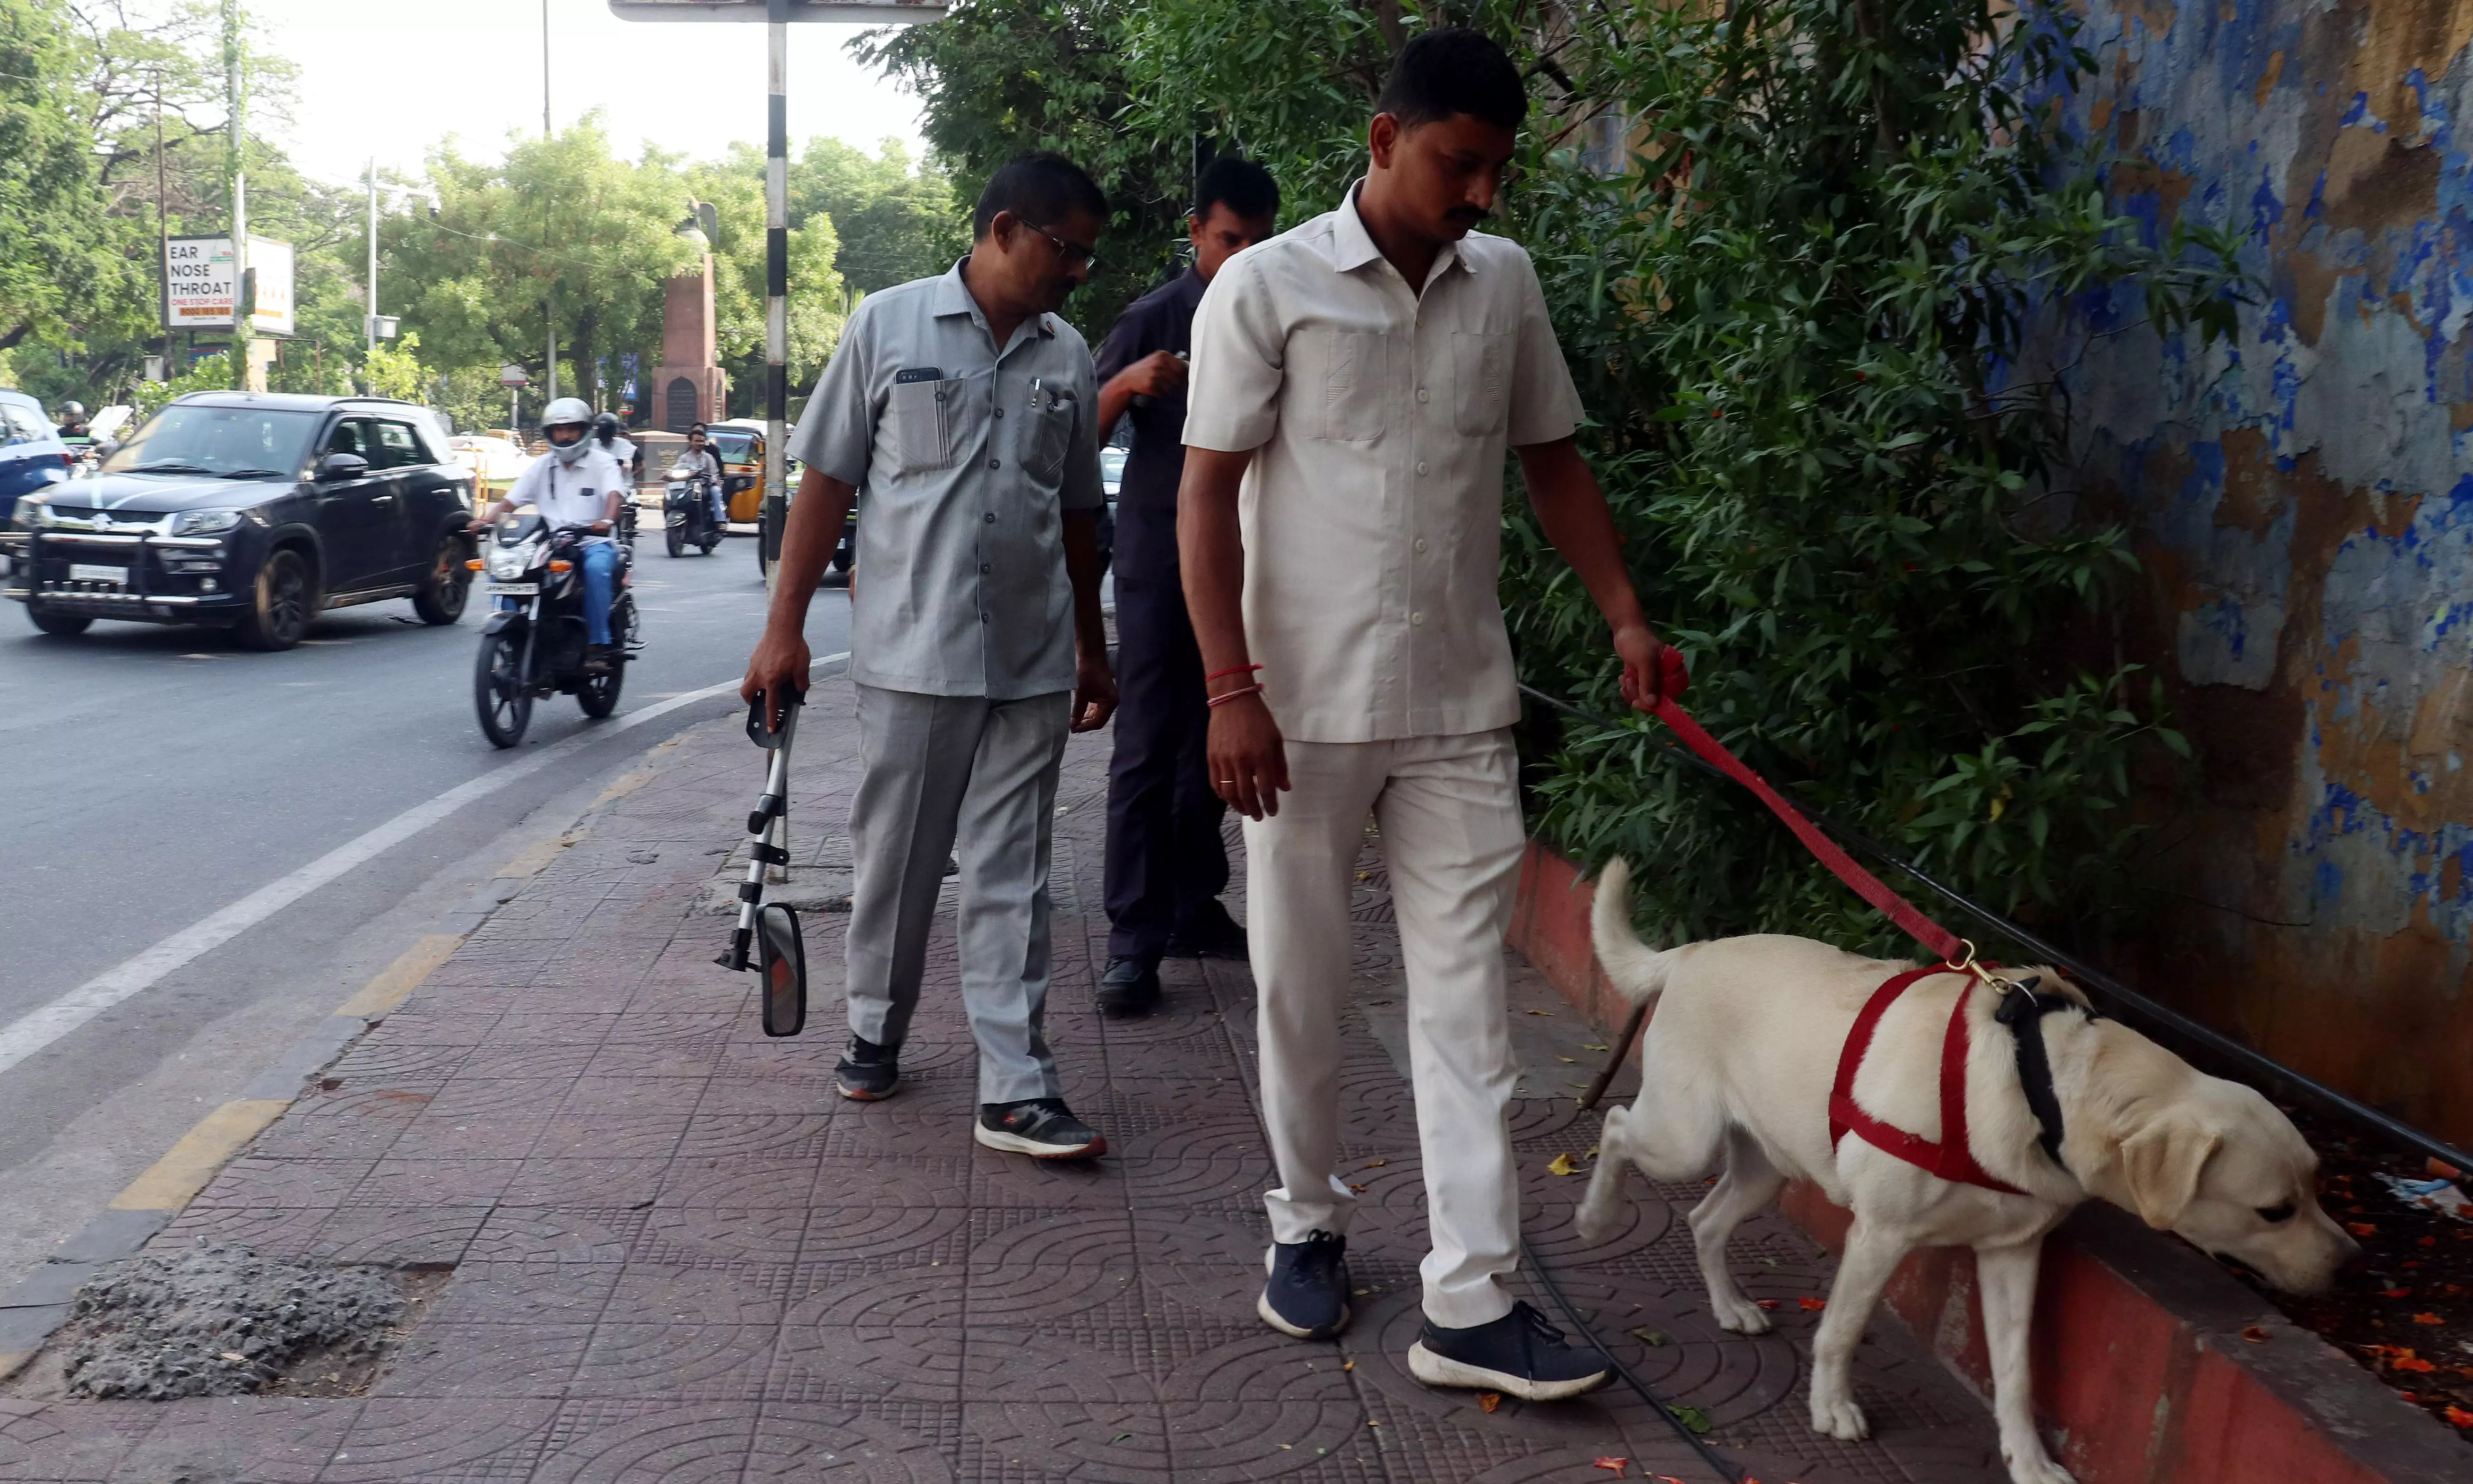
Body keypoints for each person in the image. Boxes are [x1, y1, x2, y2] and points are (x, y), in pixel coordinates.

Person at [1179, 28, 1673, 1400]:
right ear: (1387, 139)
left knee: (1467, 1005)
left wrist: (1626, 611)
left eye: (1497, 170)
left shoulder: (1501, 285)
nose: (1483, 195)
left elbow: (1552, 460)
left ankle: (1469, 1299)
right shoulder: (1266, 289)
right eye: (1461, 163)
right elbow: (1203, 494)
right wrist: (1229, 689)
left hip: (1461, 701)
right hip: (1296, 711)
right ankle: (1309, 1219)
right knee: (1303, 985)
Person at [741, 152, 1119, 1160]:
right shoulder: (887, 325)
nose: (1078, 269)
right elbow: (826, 482)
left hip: (1033, 659)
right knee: (900, 867)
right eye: (1065, 248)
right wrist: (784, 627)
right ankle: (874, 1028)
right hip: (913, 655)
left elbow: (1080, 516)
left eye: (1087, 252)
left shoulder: (1066, 356)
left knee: (1012, 874)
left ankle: (1016, 1084)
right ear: (1004, 230)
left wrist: (1092, 646)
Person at [1089, 156, 1282, 1018]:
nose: (1243, 254)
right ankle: (1132, 942)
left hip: (1255, 556)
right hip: (1160, 563)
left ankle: (1193, 905)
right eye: (1229, 239)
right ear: (1197, 231)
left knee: (1220, 742)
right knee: (1147, 744)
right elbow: (1070, 435)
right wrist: (1127, 383)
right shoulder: (1153, 319)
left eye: (1258, 239)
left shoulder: (1284, 309)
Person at [469, 397, 628, 672]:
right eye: (558, 430)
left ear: (585, 430)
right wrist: (485, 520)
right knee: (505, 571)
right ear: (550, 434)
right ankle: (511, 630)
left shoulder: (602, 463)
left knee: (596, 570)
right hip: (548, 543)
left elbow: (615, 494)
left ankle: (596, 645)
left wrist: (606, 520)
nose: (565, 436)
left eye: (571, 429)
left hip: (592, 540)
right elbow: (511, 502)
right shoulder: (542, 466)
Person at [675, 423, 727, 527]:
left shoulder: (709, 457)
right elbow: (677, 469)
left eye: (702, 441)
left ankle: (720, 521)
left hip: (705, 486)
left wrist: (712, 481)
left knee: (716, 491)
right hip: (688, 486)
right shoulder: (683, 458)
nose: (699, 444)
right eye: (697, 441)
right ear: (690, 442)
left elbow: (714, 473)